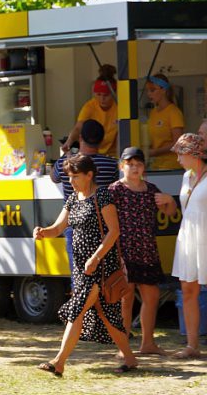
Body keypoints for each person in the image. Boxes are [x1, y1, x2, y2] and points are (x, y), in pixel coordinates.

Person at [33, 154, 138, 376]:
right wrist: (43, 232)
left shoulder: (102, 196)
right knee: (106, 316)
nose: (71, 181)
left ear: (89, 175)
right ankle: (129, 358)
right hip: (82, 267)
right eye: (69, 177)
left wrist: (96, 257)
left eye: (75, 176)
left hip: (100, 268)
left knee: (78, 310)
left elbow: (114, 231)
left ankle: (59, 362)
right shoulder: (73, 199)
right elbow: (58, 228)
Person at [108, 147, 176, 354]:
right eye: (130, 164)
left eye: (138, 164)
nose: (135, 168)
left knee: (152, 297)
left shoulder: (152, 189)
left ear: (144, 168)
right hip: (123, 252)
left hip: (147, 251)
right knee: (125, 299)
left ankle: (148, 343)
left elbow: (170, 212)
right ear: (122, 166)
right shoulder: (114, 191)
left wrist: (170, 201)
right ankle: (123, 346)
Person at [51, 120, 120, 267]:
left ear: (80, 138)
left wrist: (66, 152)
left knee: (79, 276)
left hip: (73, 228)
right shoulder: (112, 164)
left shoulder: (66, 162)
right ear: (101, 141)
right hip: (104, 228)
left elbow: (53, 177)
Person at [170, 133, 207, 358]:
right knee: (188, 289)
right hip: (188, 236)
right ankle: (192, 346)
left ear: (193, 154)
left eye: (180, 154)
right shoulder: (186, 177)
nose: (178, 159)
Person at [61, 64, 119, 156]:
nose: (102, 99)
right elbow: (78, 127)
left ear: (114, 94)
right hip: (92, 152)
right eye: (98, 94)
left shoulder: (119, 108)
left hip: (113, 154)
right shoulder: (90, 106)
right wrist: (69, 141)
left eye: (106, 95)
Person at [146, 73, 184, 171]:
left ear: (163, 90)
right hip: (156, 166)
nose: (149, 94)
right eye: (148, 91)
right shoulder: (153, 113)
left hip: (172, 167)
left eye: (152, 90)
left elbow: (178, 143)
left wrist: (155, 152)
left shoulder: (173, 112)